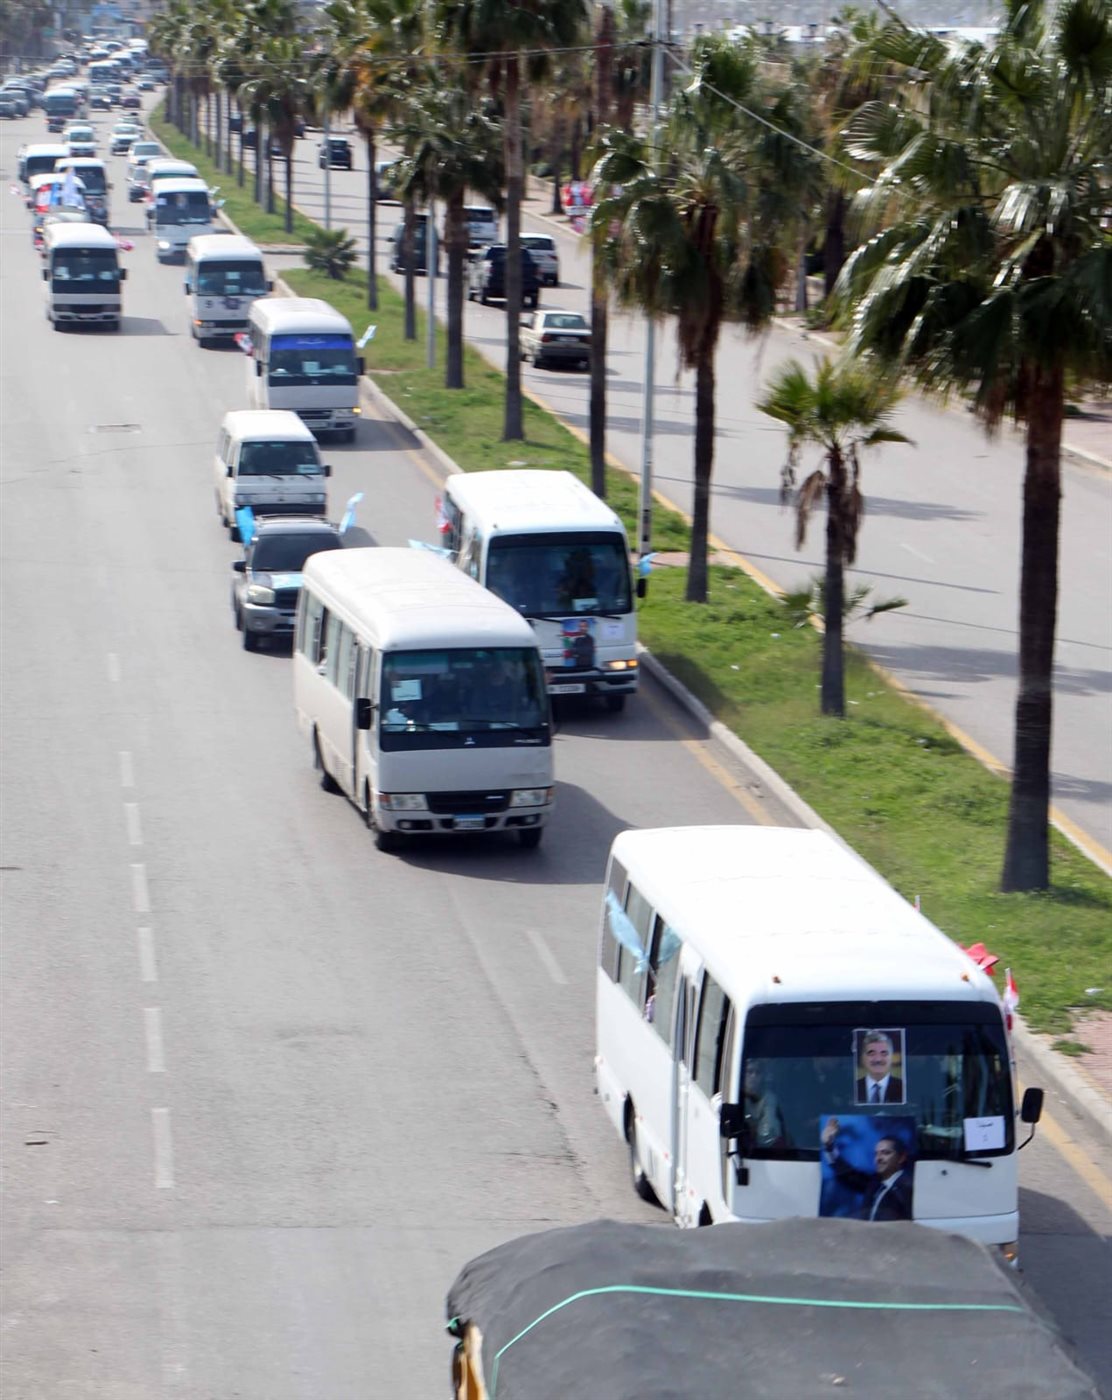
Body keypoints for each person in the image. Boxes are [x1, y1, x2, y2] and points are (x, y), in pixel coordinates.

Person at [822, 1118, 914, 1222]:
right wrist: (829, 1146)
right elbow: (847, 1174)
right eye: (876, 1154)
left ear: (901, 1157)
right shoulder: (874, 1183)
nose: (878, 1158)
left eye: (886, 1153)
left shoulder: (908, 1188)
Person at [741, 1059, 786, 1150]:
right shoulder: (734, 1095)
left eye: (757, 1073)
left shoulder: (769, 1098)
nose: (753, 1076)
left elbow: (767, 1133)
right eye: (750, 1072)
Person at [855, 1030, 905, 1105]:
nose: (878, 1059)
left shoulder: (903, 1088)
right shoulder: (854, 1087)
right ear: (863, 1058)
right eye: (871, 1053)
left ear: (891, 1057)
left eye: (884, 1053)